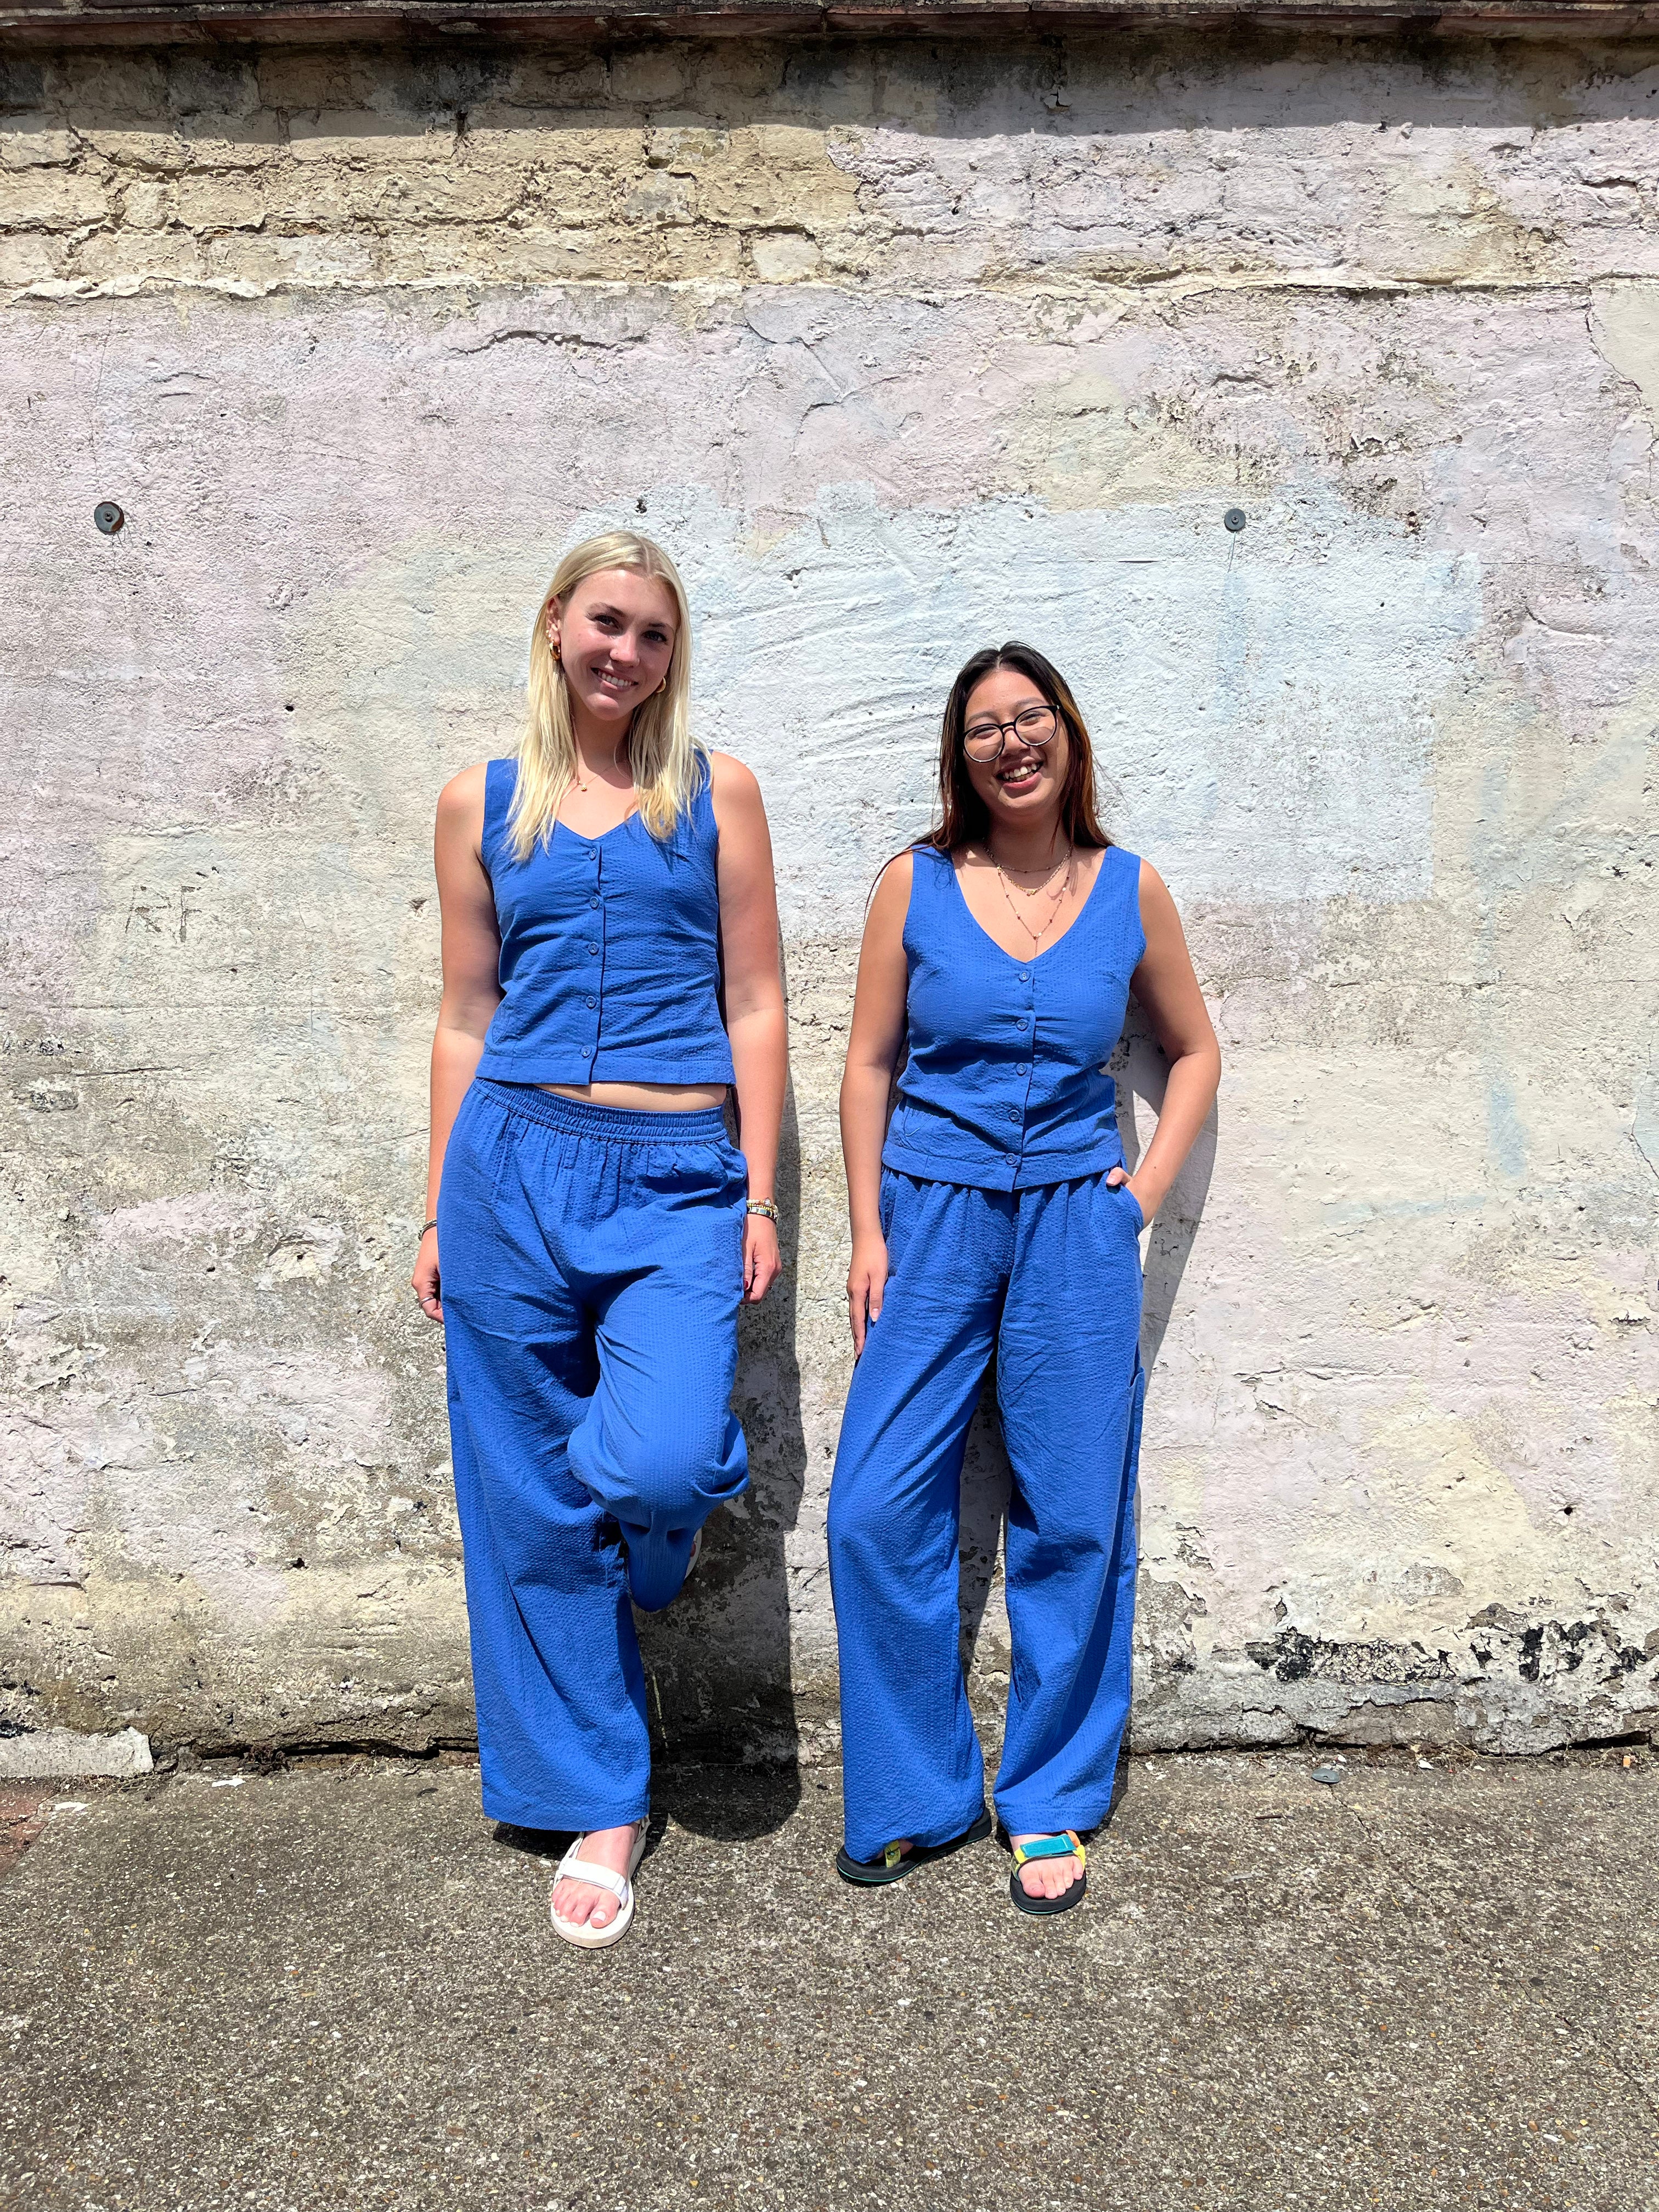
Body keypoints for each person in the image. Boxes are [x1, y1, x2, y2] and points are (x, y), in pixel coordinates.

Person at [412, 530, 786, 1949]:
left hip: (678, 1169)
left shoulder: (719, 795)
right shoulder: (481, 804)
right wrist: (439, 1202)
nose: (627, 652)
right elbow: (463, 1015)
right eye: (607, 623)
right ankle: (600, 1796)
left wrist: (755, 1190)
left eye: (655, 635)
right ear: (557, 624)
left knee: (664, 1455)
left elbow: (756, 999)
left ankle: (654, 1539)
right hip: (510, 1165)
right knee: (524, 1496)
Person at [828, 641, 1220, 1917]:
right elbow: (870, 1062)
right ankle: (914, 1795)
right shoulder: (917, 882)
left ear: (1068, 734)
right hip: (930, 1215)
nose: (1011, 742)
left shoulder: (1131, 888)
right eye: (985, 726)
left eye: (1030, 717)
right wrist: (867, 1229)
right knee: (876, 1510)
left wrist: (1142, 1194)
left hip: (1073, 1222)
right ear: (961, 755)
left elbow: (1195, 1050)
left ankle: (1047, 1796)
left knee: (1074, 1515)